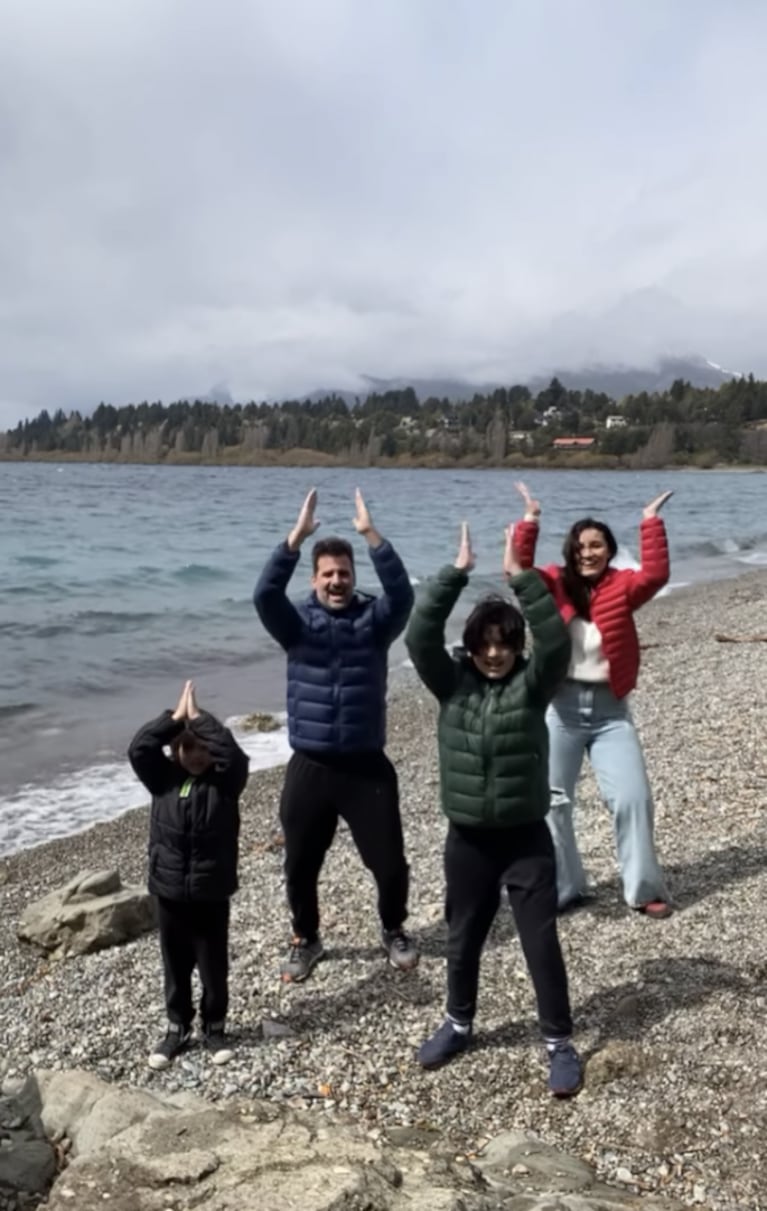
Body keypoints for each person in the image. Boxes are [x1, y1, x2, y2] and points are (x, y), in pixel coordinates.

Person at [405, 522, 582, 1097]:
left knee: (539, 942)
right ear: (472, 645)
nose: (495, 653)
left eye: (505, 643)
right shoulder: (451, 684)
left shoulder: (532, 686)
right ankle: (458, 1024)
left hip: (527, 839)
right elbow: (417, 636)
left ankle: (558, 1041)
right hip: (469, 840)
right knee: (464, 937)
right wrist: (454, 574)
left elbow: (556, 641)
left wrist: (521, 578)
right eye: (485, 643)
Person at [254, 487, 418, 983]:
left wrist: (373, 537)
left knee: (388, 862)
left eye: (344, 573)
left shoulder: (375, 623)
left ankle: (393, 928)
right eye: (328, 574)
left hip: (366, 764)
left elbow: (403, 595)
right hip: (311, 765)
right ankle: (306, 937)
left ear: (354, 576)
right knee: (300, 863)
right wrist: (295, 539)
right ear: (315, 579)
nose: (337, 582)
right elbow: (264, 594)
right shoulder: (296, 625)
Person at [514, 482, 673, 918]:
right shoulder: (553, 584)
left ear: (609, 549)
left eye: (597, 545)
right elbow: (517, 571)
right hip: (559, 709)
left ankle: (643, 890)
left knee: (632, 798)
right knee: (551, 802)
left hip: (610, 713)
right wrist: (530, 518)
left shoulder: (624, 587)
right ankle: (566, 888)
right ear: (570, 550)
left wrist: (650, 520)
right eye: (581, 546)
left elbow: (656, 575)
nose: (588, 553)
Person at [128, 680, 249, 1070]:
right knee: (176, 966)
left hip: (211, 894)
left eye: (201, 747)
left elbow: (234, 756)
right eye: (186, 747)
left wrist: (200, 719)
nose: (195, 755)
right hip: (169, 893)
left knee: (213, 966)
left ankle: (214, 1027)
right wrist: (174, 719)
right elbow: (139, 748)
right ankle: (177, 1027)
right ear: (176, 751)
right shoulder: (163, 781)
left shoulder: (225, 783)